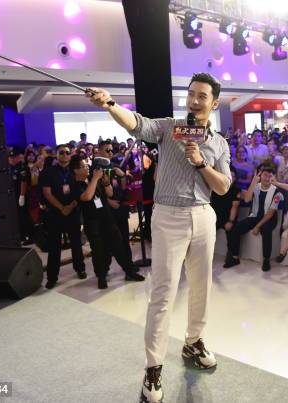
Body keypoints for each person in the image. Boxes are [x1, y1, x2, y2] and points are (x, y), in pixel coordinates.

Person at [87, 72, 231, 403]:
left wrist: (200, 163)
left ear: (214, 103)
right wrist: (109, 103)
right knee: (163, 294)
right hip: (169, 217)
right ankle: (153, 368)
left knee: (201, 288)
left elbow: (223, 186)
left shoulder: (219, 143)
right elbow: (135, 124)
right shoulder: (169, 128)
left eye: (202, 96)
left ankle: (194, 342)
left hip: (204, 216)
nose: (194, 100)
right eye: (191, 94)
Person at [69, 155, 144, 289]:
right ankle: (101, 277)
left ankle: (129, 271)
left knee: (119, 247)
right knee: (99, 252)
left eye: (87, 165)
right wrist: (95, 179)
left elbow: (109, 194)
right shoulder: (75, 185)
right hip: (93, 223)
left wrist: (106, 183)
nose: (87, 167)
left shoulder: (93, 179)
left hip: (107, 219)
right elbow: (86, 197)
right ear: (76, 170)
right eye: (84, 166)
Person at [40, 144, 86, 288]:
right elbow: (47, 193)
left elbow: (80, 190)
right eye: (61, 153)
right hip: (55, 213)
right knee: (54, 247)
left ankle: (80, 269)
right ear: (56, 155)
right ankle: (52, 277)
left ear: (71, 154)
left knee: (76, 243)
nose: (64, 155)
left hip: (73, 212)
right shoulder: (48, 172)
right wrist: (61, 208)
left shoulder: (75, 171)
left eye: (67, 153)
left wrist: (71, 206)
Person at [224, 167, 283, 272]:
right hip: (254, 216)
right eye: (265, 175)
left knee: (266, 230)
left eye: (270, 176)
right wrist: (253, 182)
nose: (267, 178)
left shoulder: (277, 192)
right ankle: (234, 257)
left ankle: (266, 259)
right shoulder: (256, 187)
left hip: (269, 219)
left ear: (273, 178)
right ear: (260, 176)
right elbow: (247, 199)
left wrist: (257, 226)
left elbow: (270, 214)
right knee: (236, 228)